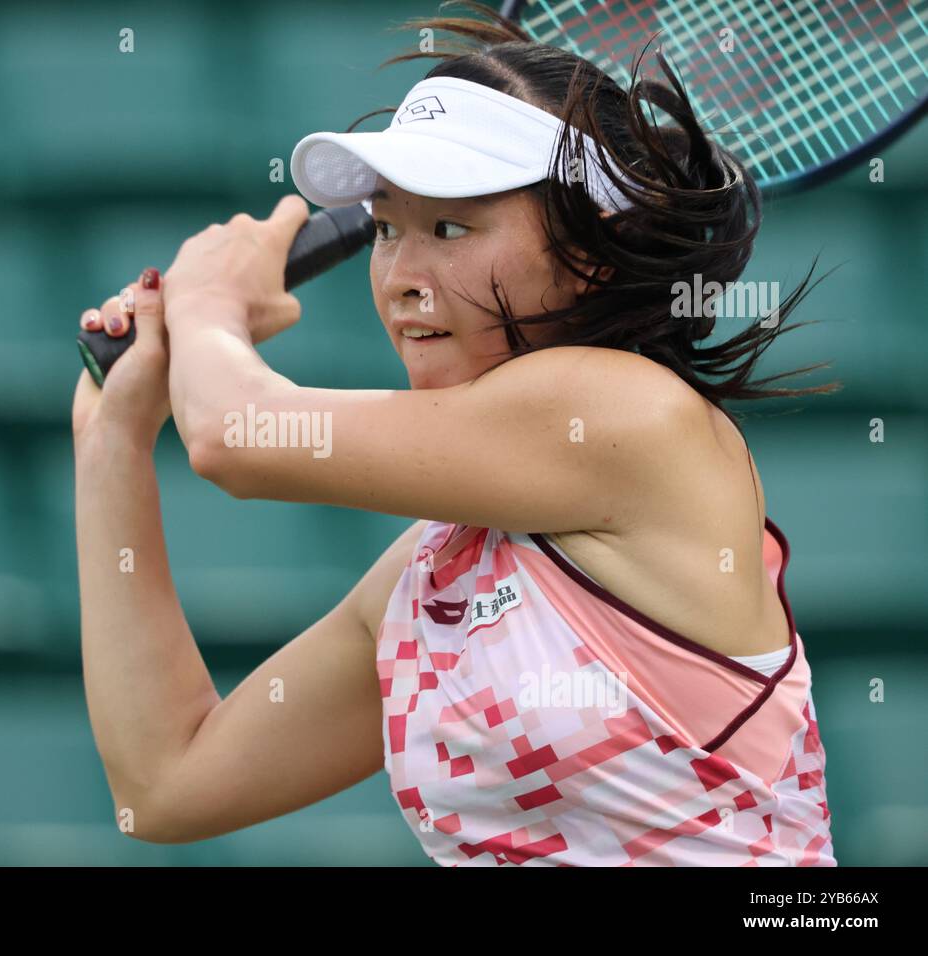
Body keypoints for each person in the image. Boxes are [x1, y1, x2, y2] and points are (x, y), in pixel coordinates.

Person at [71, 4, 837, 865]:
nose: (402, 278)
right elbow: (168, 783)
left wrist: (210, 300)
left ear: (590, 253)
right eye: (389, 227)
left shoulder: (626, 413)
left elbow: (233, 437)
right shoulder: (429, 581)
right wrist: (110, 439)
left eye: (450, 227)